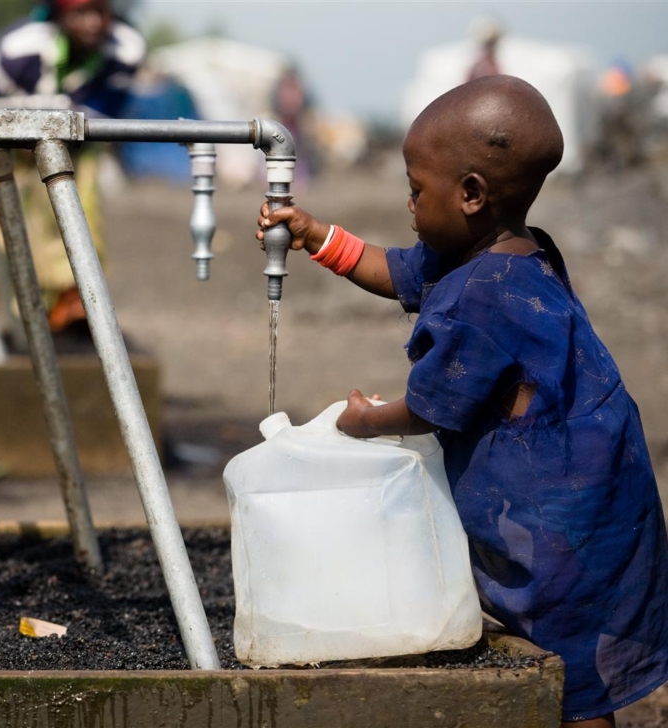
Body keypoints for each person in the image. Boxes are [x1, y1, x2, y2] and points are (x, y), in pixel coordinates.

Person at [257, 75, 668, 727]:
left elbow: (433, 407)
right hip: (586, 470)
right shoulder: (498, 254)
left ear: (471, 194)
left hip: (567, 507)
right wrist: (315, 236)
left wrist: (366, 421)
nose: (409, 202)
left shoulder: (486, 299)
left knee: (569, 653)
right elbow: (394, 269)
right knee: (563, 637)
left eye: (417, 189)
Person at [0, 0, 146, 333]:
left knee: (81, 206)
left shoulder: (126, 49)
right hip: (11, 153)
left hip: (77, 153)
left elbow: (106, 111)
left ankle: (73, 301)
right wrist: (19, 130)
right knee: (18, 228)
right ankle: (31, 308)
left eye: (99, 13)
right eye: (80, 14)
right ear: (58, 16)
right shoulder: (19, 48)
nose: (91, 23)